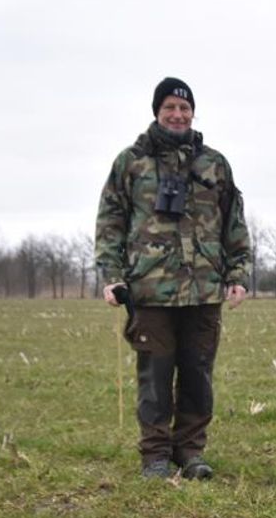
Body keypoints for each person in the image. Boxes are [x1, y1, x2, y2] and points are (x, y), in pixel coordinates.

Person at [95, 77, 251, 480]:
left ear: (193, 113)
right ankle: (156, 456)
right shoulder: (131, 163)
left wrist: (238, 273)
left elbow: (234, 221)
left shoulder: (215, 164)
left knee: (198, 375)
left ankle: (190, 451)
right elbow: (110, 222)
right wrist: (111, 276)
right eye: (169, 108)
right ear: (157, 112)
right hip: (149, 291)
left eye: (184, 108)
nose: (178, 114)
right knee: (155, 376)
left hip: (204, 289)